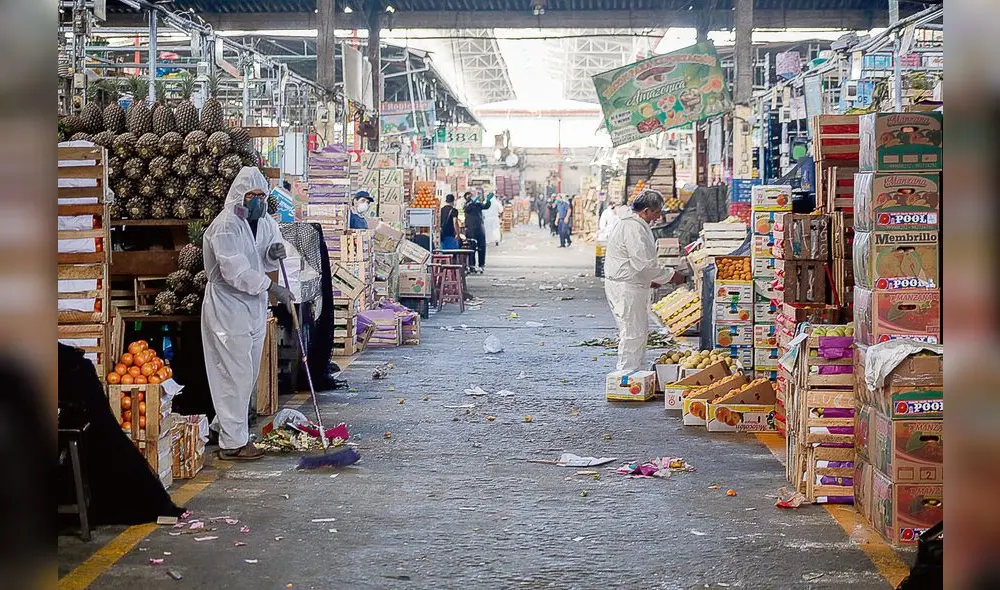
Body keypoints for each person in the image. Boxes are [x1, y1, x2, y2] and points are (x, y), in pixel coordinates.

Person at [201, 167, 295, 461]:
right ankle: (233, 444)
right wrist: (272, 287)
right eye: (251, 195)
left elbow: (266, 254)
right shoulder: (226, 226)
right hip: (227, 306)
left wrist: (274, 253)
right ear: (238, 196)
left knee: (248, 373)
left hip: (254, 306)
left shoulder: (265, 222)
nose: (257, 201)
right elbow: (235, 272)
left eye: (261, 196)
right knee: (234, 373)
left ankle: (222, 426)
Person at [604, 190, 687, 372]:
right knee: (633, 334)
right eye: (657, 213)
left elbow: (639, 264)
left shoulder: (632, 224)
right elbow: (643, 265)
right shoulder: (633, 227)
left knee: (636, 332)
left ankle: (633, 374)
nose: (658, 217)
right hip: (626, 287)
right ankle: (626, 376)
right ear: (647, 211)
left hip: (628, 283)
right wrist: (671, 275)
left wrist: (653, 279)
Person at [463, 191, 492, 271]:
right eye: (469, 197)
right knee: (471, 248)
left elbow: (485, 206)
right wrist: (472, 203)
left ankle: (481, 264)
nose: (471, 198)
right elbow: (466, 209)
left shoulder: (477, 204)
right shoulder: (467, 206)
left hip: (479, 228)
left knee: (481, 247)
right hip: (471, 229)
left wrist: (488, 200)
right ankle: (472, 265)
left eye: (471, 196)